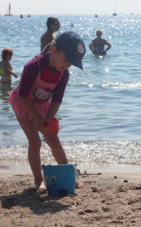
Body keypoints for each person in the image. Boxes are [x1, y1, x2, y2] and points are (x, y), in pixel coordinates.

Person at [8, 31, 86, 190]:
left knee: (53, 139)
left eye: (71, 63)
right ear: (55, 51)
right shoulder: (34, 66)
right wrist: (36, 118)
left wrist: (48, 118)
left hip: (43, 106)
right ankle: (38, 181)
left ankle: (70, 177)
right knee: (35, 141)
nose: (67, 65)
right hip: (23, 104)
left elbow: (57, 99)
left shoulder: (64, 74)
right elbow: (22, 97)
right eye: (66, 60)